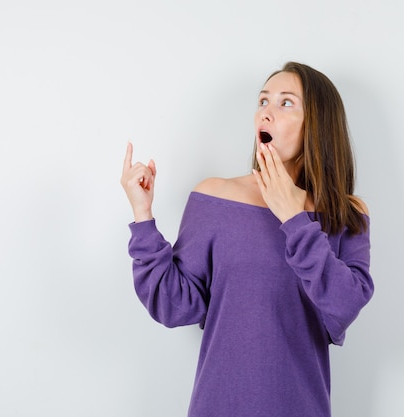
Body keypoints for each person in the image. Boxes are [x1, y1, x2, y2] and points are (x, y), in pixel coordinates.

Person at [120, 62, 374, 417]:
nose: (266, 113)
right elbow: (173, 304)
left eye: (286, 103)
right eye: (262, 101)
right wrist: (142, 214)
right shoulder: (215, 197)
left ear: (316, 124)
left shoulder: (345, 213)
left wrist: (294, 218)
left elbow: (344, 306)